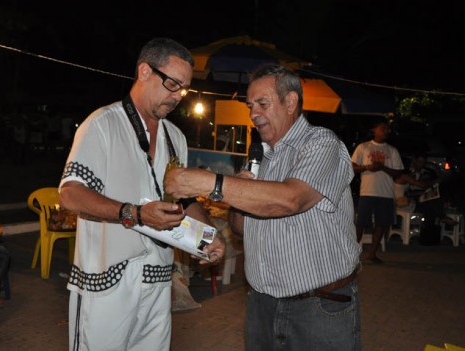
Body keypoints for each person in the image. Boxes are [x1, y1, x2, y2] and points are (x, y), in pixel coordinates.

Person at [165, 63, 361, 350]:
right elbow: (239, 227)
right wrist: (238, 195)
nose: (253, 113)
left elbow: (290, 199)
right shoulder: (259, 158)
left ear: (291, 101)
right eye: (250, 105)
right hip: (262, 306)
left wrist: (213, 183)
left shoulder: (321, 144)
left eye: (262, 103)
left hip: (320, 308)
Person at [58, 37, 225, 350]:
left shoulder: (176, 137)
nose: (179, 97)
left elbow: (183, 202)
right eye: (173, 84)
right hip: (105, 282)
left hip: (158, 279)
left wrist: (209, 237)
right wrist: (133, 214)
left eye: (185, 89)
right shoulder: (102, 124)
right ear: (145, 71)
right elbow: (71, 194)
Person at [351, 119, 403, 263]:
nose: (386, 131)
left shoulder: (392, 150)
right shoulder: (363, 147)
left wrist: (382, 167)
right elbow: (352, 167)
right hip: (367, 191)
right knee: (360, 223)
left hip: (385, 193)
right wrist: (367, 167)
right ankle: (351, 255)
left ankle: (372, 254)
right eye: (383, 128)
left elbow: (398, 173)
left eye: (387, 129)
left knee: (381, 224)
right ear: (374, 130)